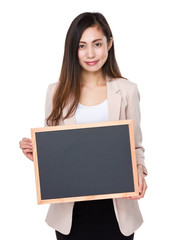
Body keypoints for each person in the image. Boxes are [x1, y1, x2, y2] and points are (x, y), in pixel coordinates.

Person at [19, 12, 148, 240]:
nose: (90, 53)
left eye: (97, 44)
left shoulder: (127, 90)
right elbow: (57, 150)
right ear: (73, 50)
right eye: (81, 46)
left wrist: (139, 172)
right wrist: (39, 154)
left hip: (117, 211)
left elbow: (135, 148)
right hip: (71, 212)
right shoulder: (55, 92)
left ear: (109, 42)